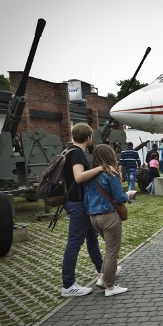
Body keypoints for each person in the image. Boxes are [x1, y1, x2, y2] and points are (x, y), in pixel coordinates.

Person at [84, 144, 136, 297]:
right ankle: (110, 286)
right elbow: (119, 197)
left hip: (93, 216)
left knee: (109, 248)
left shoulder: (90, 175)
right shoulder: (110, 174)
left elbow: (87, 199)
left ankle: (102, 278)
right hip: (109, 216)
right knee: (112, 252)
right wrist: (129, 194)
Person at [61, 123, 105, 297]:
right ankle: (68, 284)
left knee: (91, 238)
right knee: (74, 243)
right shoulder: (77, 154)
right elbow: (79, 177)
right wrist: (100, 168)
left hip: (78, 203)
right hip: (78, 204)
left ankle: (103, 270)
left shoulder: (68, 152)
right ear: (88, 138)